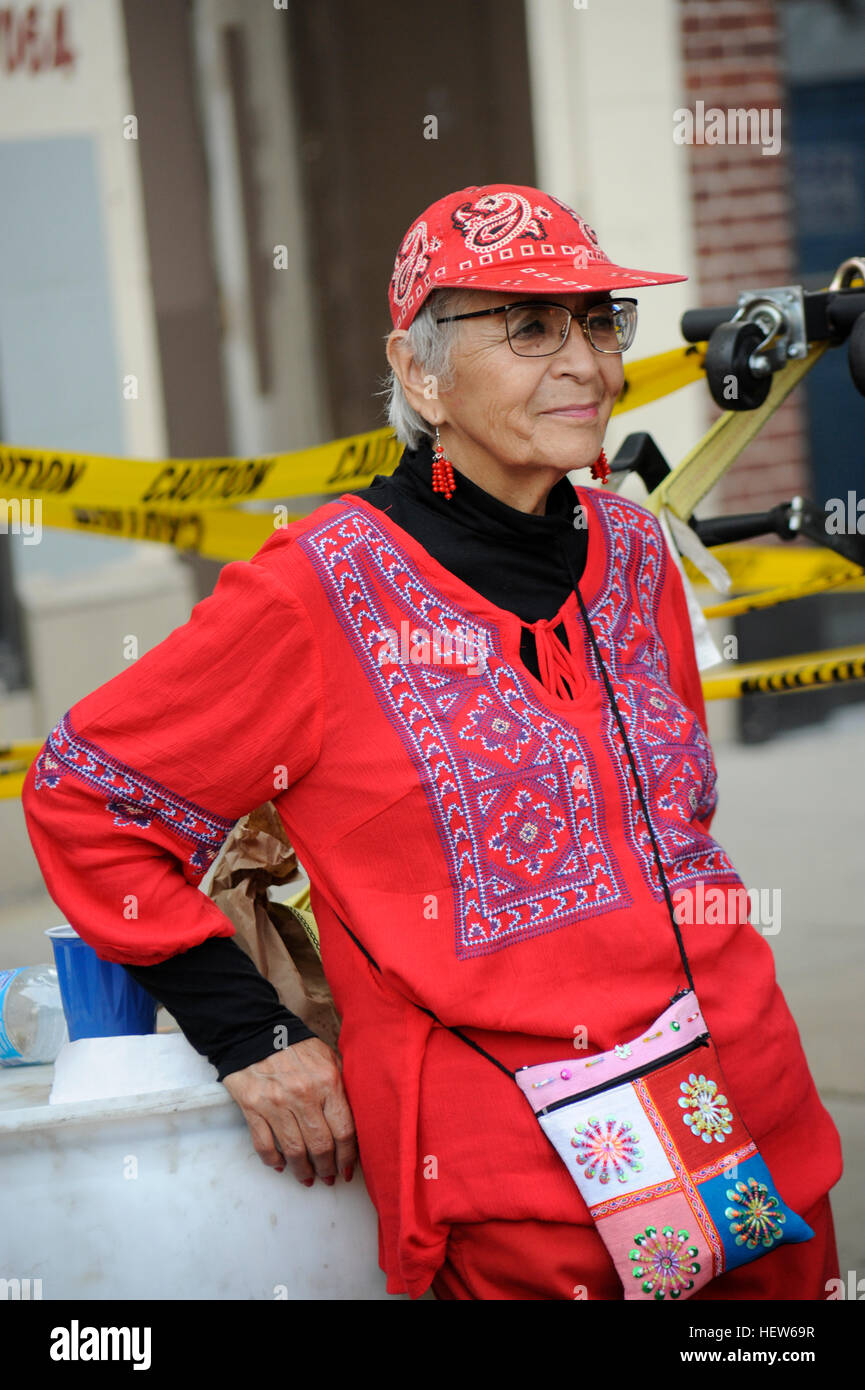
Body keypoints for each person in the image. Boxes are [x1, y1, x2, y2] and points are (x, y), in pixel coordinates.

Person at [22, 184, 842, 1300]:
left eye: (600, 322)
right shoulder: (312, 591)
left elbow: (674, 824)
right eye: (529, 328)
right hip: (522, 1183)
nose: (586, 364)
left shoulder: (638, 553)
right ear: (420, 374)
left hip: (751, 1114)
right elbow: (85, 794)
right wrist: (250, 1036)